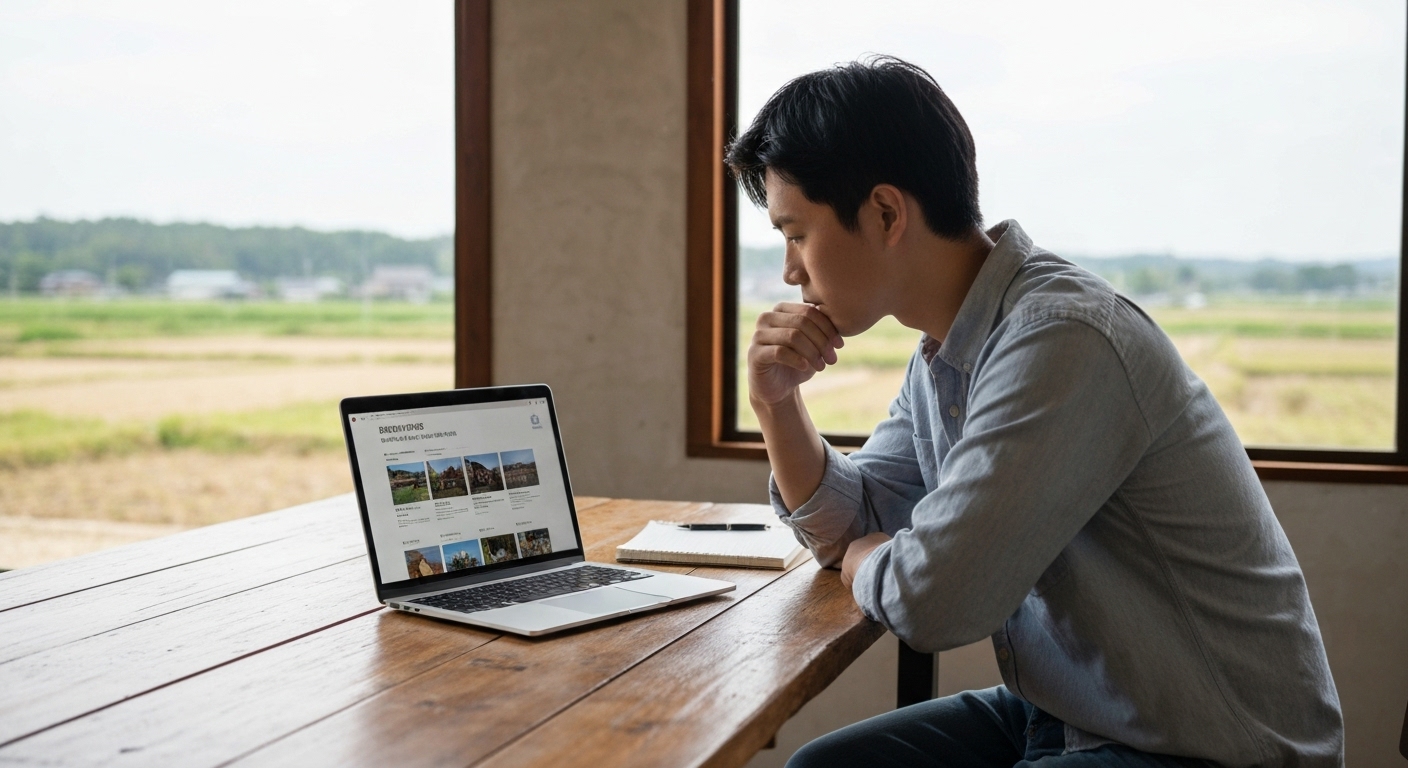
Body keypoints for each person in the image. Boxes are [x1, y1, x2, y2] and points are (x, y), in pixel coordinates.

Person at [726, 57, 1343, 767]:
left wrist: (869, 557)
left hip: (1204, 746)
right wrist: (775, 405)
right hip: (1070, 707)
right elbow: (856, 520)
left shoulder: (1061, 338)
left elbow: (933, 602)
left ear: (887, 213)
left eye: (796, 232)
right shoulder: (945, 348)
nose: (790, 270)